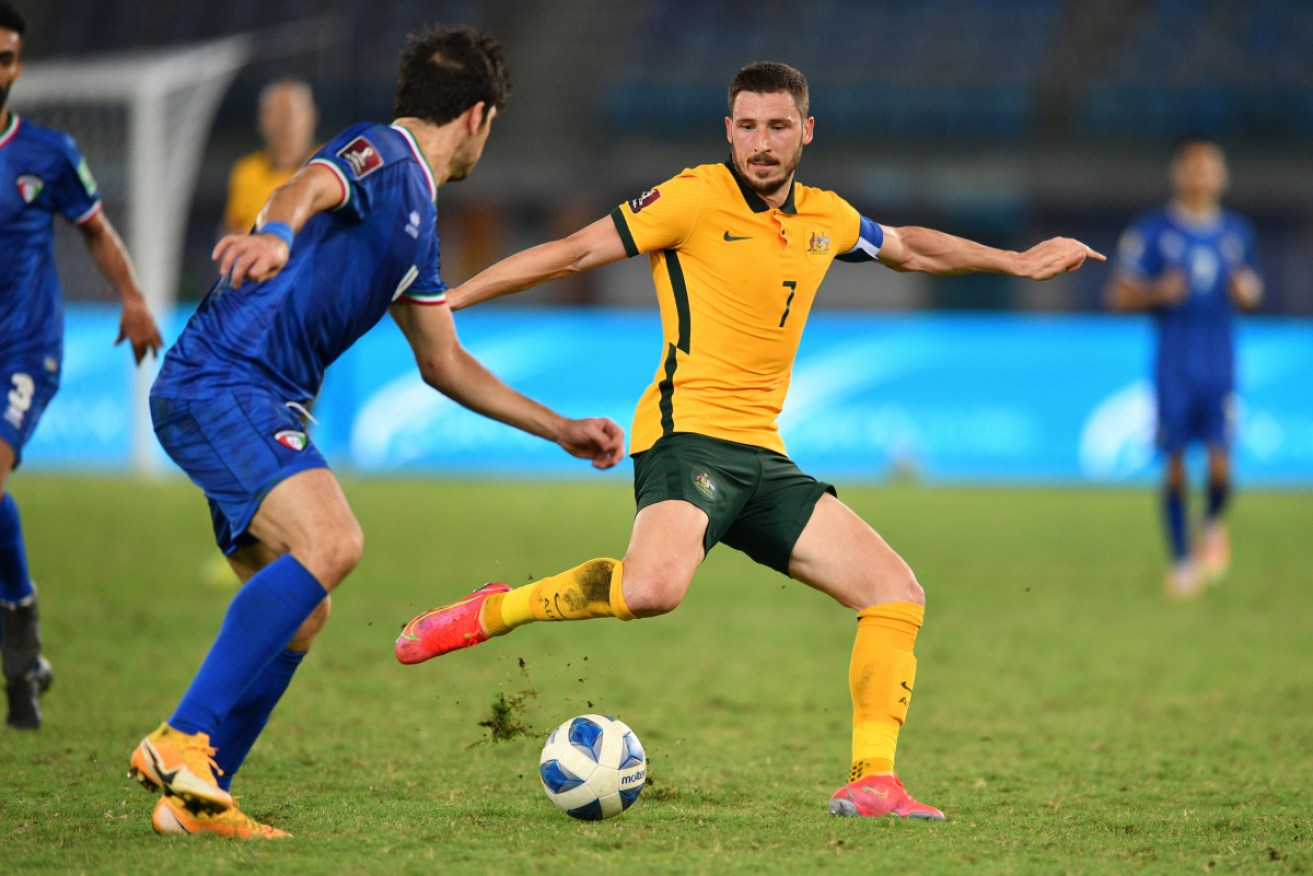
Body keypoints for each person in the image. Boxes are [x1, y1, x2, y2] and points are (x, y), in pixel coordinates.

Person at [396, 61, 1104, 820]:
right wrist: (449, 298)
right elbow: (570, 251)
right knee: (653, 590)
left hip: (762, 456)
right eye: (746, 126)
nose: (760, 144)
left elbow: (911, 248)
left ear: (805, 130)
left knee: (895, 592)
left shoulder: (826, 217)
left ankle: (874, 780)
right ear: (726, 129)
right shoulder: (692, 198)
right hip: (686, 435)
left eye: (776, 127)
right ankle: (497, 610)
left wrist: (1015, 261)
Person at [126, 25, 624, 840]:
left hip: (254, 399)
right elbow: (305, 188)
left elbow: (444, 363)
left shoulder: (420, 226)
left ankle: (195, 798)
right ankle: (180, 739)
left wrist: (558, 428)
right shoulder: (381, 153)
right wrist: (277, 234)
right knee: (334, 542)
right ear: (477, 117)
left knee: (303, 610)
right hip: (226, 383)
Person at [0, 0, 162, 730]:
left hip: (26, 346)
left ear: (18, 67)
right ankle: (23, 633)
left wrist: (131, 296)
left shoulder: (50, 153)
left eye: (6, 59)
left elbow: (96, 230)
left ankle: (20, 632)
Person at [1108, 136, 1262, 599]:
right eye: (1191, 167)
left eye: (1208, 167)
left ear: (1221, 176)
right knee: (1173, 465)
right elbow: (1118, 294)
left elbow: (1254, 292)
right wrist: (1156, 292)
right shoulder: (1153, 232)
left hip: (1220, 363)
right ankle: (1181, 563)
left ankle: (1212, 521)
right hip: (1173, 364)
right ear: (1179, 173)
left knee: (1220, 469)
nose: (1199, 175)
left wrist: (1246, 292)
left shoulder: (1237, 234)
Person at [222, 78, 317, 235]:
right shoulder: (246, 172)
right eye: (276, 112)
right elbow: (232, 228)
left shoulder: (327, 166)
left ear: (311, 117)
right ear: (262, 119)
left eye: (290, 113)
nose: (284, 122)